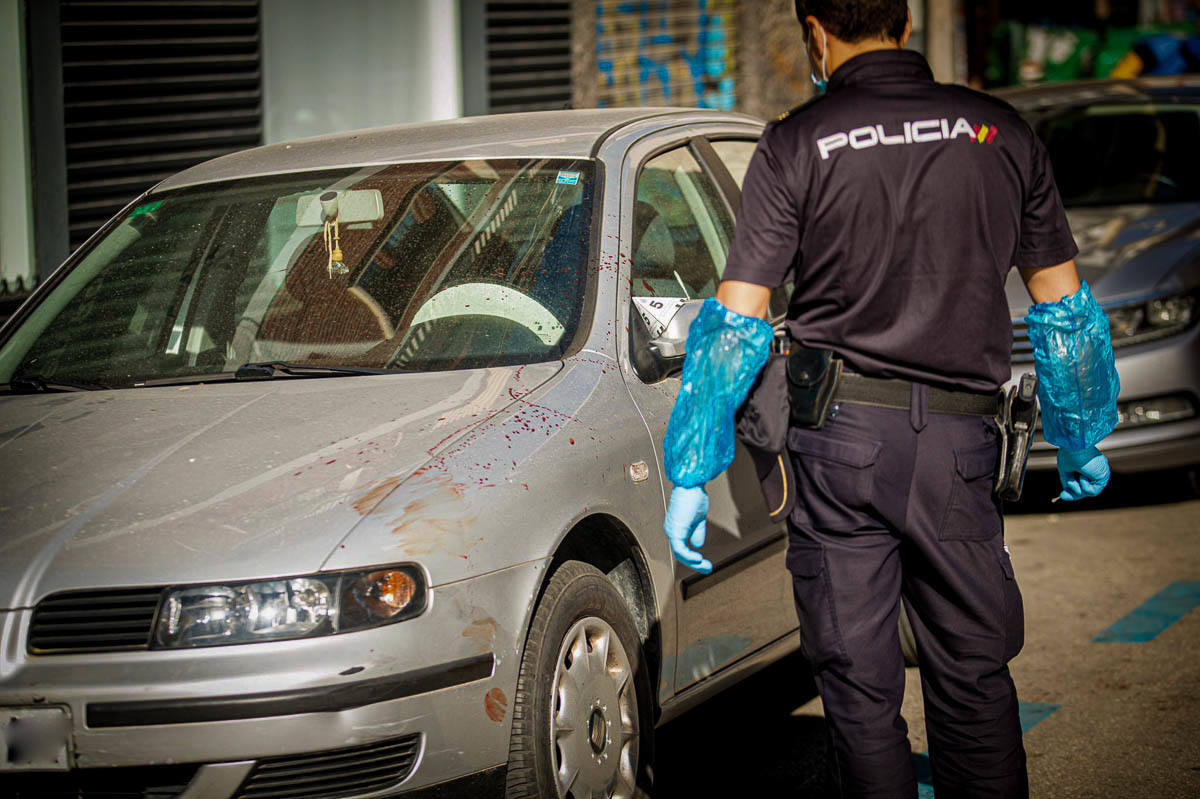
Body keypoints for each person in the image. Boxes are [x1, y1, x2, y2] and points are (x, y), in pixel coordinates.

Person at [660, 2, 1120, 797]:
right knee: (974, 680)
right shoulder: (999, 131)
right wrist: (1081, 434)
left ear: (815, 32)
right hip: (962, 448)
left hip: (840, 448)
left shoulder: (797, 142)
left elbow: (737, 317)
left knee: (860, 692)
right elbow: (1065, 307)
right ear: (905, 23)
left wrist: (694, 468)